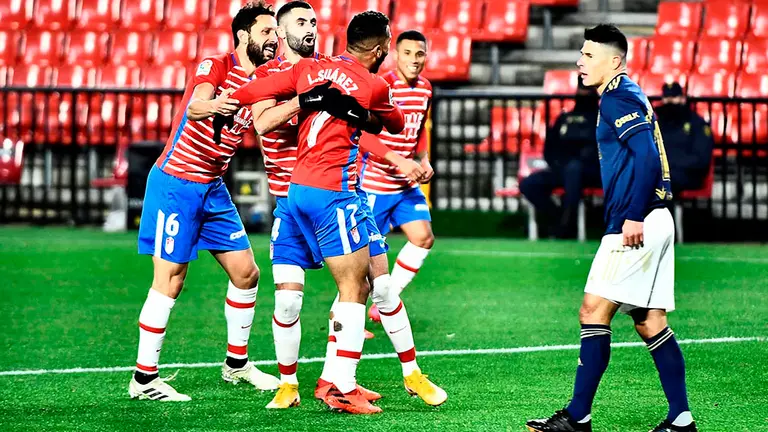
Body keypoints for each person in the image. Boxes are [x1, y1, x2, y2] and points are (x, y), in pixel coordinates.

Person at [129, 1, 339, 402]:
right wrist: (216, 105)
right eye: (266, 32)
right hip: (177, 182)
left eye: (275, 33)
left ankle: (236, 365)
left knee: (247, 274)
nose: (274, 39)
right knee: (170, 282)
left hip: (213, 186)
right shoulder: (217, 65)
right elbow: (195, 104)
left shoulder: (266, 77)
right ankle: (143, 380)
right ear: (244, 35)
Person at [231, 11, 410, 415]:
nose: (309, 28)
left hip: (314, 193)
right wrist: (312, 103)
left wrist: (216, 102)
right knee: (330, 294)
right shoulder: (305, 75)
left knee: (371, 285)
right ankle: (313, 385)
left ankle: (341, 379)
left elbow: (362, 128)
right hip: (313, 197)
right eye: (300, 22)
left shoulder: (316, 67)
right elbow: (261, 122)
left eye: (313, 21)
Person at [526, 24, 696, 432]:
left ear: (613, 61)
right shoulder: (626, 94)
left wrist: (633, 214)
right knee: (650, 321)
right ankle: (681, 420)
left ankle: (577, 417)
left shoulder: (618, 97)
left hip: (636, 221)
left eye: (588, 55)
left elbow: (648, 158)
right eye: (581, 54)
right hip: (655, 219)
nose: (579, 62)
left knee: (592, 311)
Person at [360, 30, 437, 320]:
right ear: (395, 54)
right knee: (362, 264)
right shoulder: (381, 86)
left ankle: (384, 303)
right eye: (407, 53)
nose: (414, 60)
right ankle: (338, 323)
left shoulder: (426, 89)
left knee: (423, 237)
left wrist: (423, 159)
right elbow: (362, 136)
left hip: (405, 185)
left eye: (419, 54)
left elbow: (419, 132)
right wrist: (399, 161)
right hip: (375, 184)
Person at [519, 78, 601, 239]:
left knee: (574, 169)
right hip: (563, 170)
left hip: (593, 172)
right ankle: (558, 217)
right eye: (581, 89)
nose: (583, 93)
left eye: (587, 90)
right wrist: (559, 164)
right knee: (529, 184)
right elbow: (549, 150)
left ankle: (567, 226)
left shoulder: (603, 119)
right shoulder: (563, 119)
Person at [655, 82, 713, 196]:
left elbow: (702, 159)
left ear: (683, 99)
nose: (670, 101)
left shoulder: (697, 123)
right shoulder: (658, 124)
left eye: (674, 97)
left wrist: (670, 164)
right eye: (667, 97)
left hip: (689, 174)